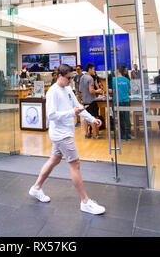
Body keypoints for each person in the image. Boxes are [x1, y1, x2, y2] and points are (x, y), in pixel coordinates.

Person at [28, 64, 105, 215]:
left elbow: (78, 107)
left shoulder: (68, 88)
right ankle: (85, 202)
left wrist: (92, 119)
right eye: (69, 78)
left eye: (72, 77)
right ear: (60, 76)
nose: (71, 80)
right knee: (75, 164)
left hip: (65, 132)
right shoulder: (52, 92)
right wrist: (71, 112)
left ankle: (36, 188)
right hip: (61, 134)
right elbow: (51, 115)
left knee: (54, 160)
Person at [80, 63, 102, 139]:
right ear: (90, 69)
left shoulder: (82, 77)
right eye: (93, 69)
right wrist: (98, 90)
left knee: (86, 118)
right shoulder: (90, 78)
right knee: (92, 117)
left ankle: (87, 134)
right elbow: (91, 91)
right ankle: (95, 135)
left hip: (84, 101)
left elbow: (80, 89)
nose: (94, 70)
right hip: (91, 101)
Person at [113, 65, 132, 140]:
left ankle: (122, 136)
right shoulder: (127, 80)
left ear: (118, 70)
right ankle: (129, 136)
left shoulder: (114, 80)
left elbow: (112, 91)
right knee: (127, 119)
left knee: (121, 119)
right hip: (126, 101)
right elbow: (129, 91)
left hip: (118, 101)